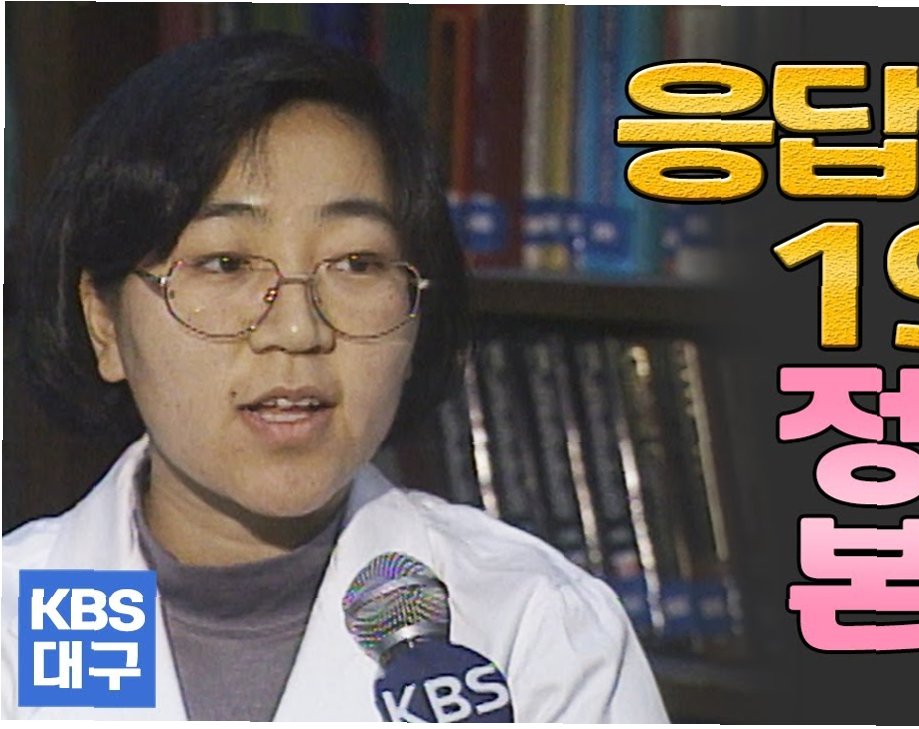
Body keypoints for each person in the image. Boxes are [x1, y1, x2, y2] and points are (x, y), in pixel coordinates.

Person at [1, 32, 669, 722]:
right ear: (104, 324)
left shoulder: (534, 627)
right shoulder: (16, 628)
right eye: (227, 264)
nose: (298, 330)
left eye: (356, 263)